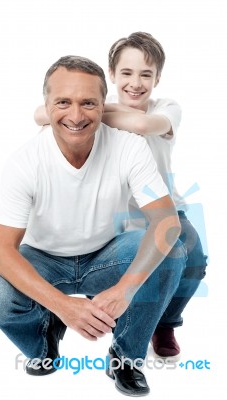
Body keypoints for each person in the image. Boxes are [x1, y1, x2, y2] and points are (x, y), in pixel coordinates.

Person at [0, 55, 186, 397]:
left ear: (105, 105)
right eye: (63, 102)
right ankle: (46, 337)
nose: (75, 116)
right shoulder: (23, 163)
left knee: (173, 251)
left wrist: (125, 289)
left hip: (106, 255)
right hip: (43, 259)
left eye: (88, 103)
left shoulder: (129, 148)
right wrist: (62, 305)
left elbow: (166, 223)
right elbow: (1, 251)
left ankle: (126, 357)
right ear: (46, 106)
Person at [34, 32, 208, 362]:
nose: (135, 83)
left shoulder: (167, 108)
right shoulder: (89, 111)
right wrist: (93, 108)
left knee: (193, 259)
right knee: (115, 267)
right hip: (115, 215)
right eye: (126, 73)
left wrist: (97, 110)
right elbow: (40, 115)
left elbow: (143, 124)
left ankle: (165, 324)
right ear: (112, 74)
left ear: (158, 77)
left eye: (146, 74)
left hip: (164, 207)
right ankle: (112, 321)